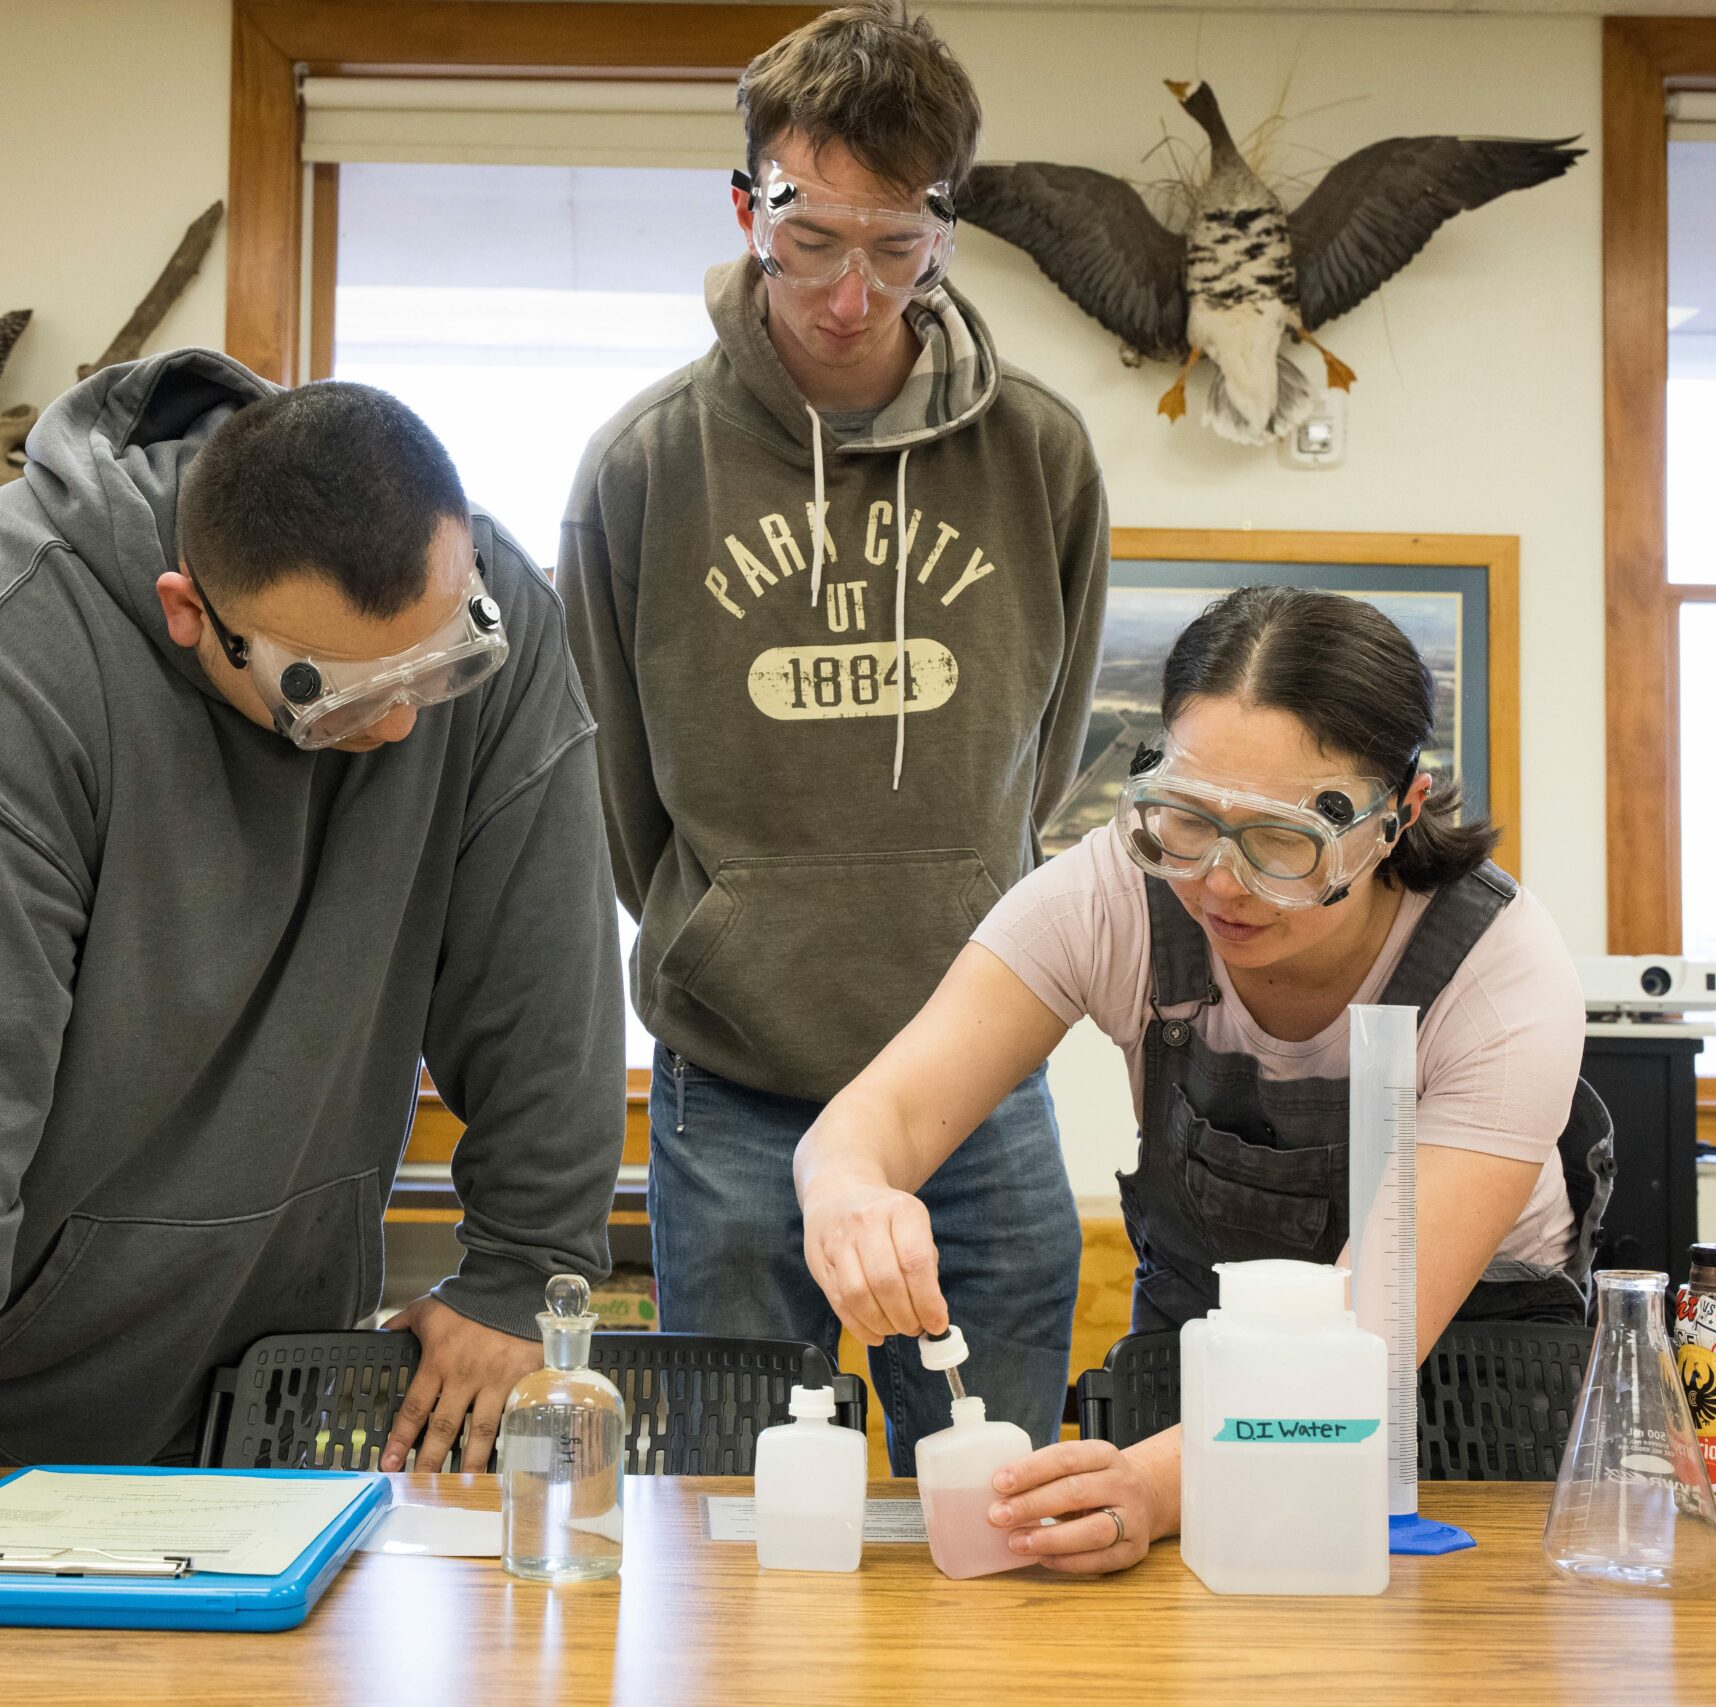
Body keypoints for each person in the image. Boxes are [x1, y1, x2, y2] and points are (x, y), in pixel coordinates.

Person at [0, 356, 626, 1574]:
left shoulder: (487, 611)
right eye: (333, 700)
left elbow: (548, 973)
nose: (397, 729)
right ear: (185, 611)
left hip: (251, 1405)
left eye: (435, 672)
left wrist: (524, 1271)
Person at [559, 0, 1110, 1471]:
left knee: (997, 1503)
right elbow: (620, 782)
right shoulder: (641, 465)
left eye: (894, 244)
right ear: (749, 210)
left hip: (975, 1078)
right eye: (811, 240)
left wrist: (962, 925)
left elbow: (1039, 751)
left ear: (948, 225)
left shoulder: (1039, 451)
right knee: (730, 1509)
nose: (851, 293)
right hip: (730, 1078)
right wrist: (736, 927)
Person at [794, 585, 1611, 1572]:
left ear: (1399, 813)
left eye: (1280, 840)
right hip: (1201, 1369)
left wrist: (1156, 1484)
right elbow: (887, 1112)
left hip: (1468, 1394)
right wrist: (845, 1189)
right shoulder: (1110, 895)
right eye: (1183, 818)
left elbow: (1373, 1336)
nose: (1219, 882)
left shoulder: (1501, 971)